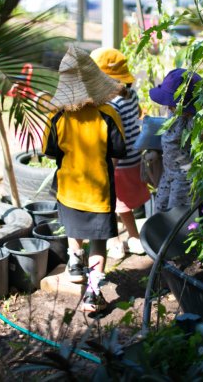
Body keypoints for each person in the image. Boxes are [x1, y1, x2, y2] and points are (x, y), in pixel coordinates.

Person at [42, 46, 127, 313]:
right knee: (98, 242)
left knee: (73, 228)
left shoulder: (56, 116)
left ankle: (74, 263)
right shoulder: (109, 114)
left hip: (68, 188)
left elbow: (50, 151)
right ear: (95, 81)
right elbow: (117, 151)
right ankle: (93, 293)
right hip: (99, 192)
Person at [90, 47, 150, 257]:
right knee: (124, 205)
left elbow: (115, 137)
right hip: (134, 159)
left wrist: (107, 167)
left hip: (118, 163)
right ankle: (134, 238)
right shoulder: (131, 95)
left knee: (112, 204)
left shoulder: (110, 105)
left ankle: (115, 242)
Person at [149, 68, 202, 212]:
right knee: (160, 210)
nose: (169, 107)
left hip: (185, 177)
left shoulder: (195, 120)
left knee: (178, 217)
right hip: (169, 173)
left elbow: (201, 140)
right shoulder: (173, 111)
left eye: (173, 104)